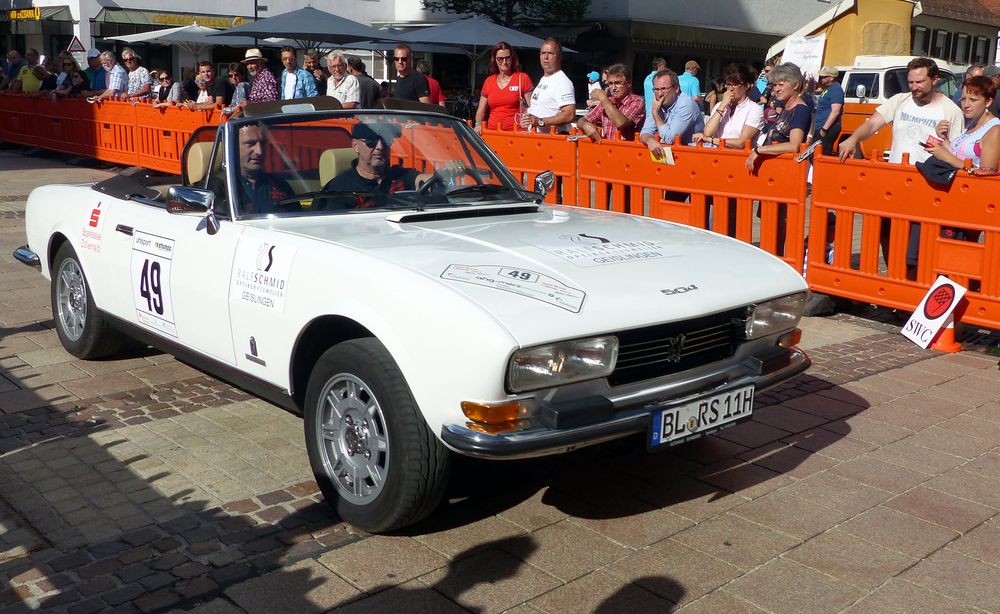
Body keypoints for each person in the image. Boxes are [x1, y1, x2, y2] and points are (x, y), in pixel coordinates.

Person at [838, 58, 963, 166]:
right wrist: (853, 138)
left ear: (935, 80)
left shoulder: (951, 111)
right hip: (897, 174)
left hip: (929, 180)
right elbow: (871, 124)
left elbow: (957, 153)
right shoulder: (899, 100)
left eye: (919, 82)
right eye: (910, 82)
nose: (914, 87)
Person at [745, 62, 812, 256]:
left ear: (796, 85)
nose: (776, 88)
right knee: (770, 220)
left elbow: (795, 145)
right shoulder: (786, 109)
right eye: (775, 85)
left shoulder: (800, 110)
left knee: (779, 222)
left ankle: (780, 257)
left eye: (781, 84)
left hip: (786, 176)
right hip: (773, 176)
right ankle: (773, 254)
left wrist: (760, 150)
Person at [926, 75, 999, 242]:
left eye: (973, 99)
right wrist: (942, 140)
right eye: (964, 98)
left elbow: (987, 175)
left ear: (987, 102)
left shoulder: (994, 130)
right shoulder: (972, 123)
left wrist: (947, 157)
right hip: (954, 199)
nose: (966, 104)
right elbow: (960, 153)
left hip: (971, 205)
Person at [314, 123, 420, 210]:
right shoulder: (338, 189)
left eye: (386, 141)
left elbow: (423, 180)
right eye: (371, 142)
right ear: (355, 146)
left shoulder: (401, 175)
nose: (380, 147)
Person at [222, 123, 296, 215]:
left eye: (263, 143)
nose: (259, 151)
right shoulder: (220, 188)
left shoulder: (281, 187)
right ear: (232, 146)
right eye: (250, 144)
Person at [695, 63, 764, 150]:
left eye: (735, 84)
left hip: (739, 158)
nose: (731, 88)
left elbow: (741, 143)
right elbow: (707, 132)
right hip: (718, 156)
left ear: (747, 86)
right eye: (728, 84)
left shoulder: (754, 110)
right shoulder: (720, 105)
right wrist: (722, 106)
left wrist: (711, 140)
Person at [639, 69, 705, 156]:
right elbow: (645, 132)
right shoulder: (657, 102)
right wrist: (649, 140)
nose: (659, 94)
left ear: (676, 88)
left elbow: (670, 138)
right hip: (676, 155)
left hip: (696, 154)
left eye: (663, 89)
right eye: (656, 89)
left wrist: (655, 113)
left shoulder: (685, 104)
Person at [576, 63, 645, 142]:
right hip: (607, 149)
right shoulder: (607, 101)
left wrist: (604, 99)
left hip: (627, 151)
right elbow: (581, 120)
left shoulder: (637, 101)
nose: (613, 88)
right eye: (610, 83)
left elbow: (621, 123)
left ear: (628, 83)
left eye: (618, 83)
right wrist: (585, 125)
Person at [474, 42, 532, 133]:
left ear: (512, 58)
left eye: (507, 58)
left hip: (516, 133)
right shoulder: (489, 81)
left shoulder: (522, 78)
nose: (504, 62)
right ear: (495, 60)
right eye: (500, 58)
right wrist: (478, 125)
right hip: (492, 132)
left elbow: (533, 107)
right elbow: (481, 111)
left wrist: (529, 125)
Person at [521, 38, 575, 133]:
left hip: (554, 139)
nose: (546, 57)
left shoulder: (562, 82)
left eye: (550, 53)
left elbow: (569, 114)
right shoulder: (545, 78)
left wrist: (540, 121)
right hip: (538, 138)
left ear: (559, 57)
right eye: (543, 53)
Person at [812, 65, 844, 156]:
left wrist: (824, 129)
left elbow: (835, 111)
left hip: (829, 128)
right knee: (814, 153)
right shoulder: (828, 89)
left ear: (831, 78)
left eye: (824, 76)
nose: (821, 78)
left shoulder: (836, 89)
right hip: (821, 126)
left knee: (821, 154)